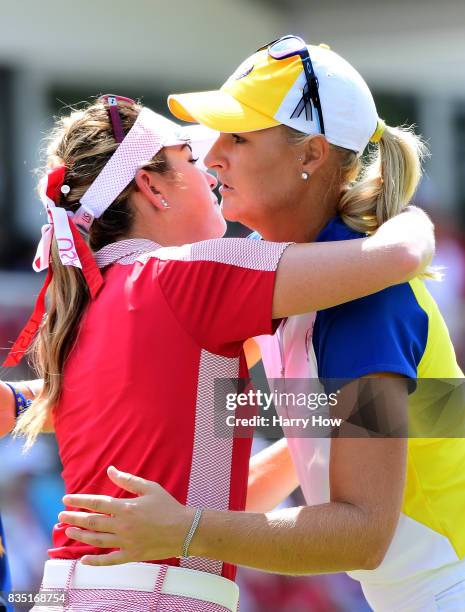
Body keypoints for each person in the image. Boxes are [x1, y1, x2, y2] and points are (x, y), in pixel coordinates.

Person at [57, 36, 464, 612]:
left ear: (311, 155)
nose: (213, 156)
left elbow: (363, 534)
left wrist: (188, 528)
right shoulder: (304, 278)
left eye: (238, 138)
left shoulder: (363, 294)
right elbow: (347, 434)